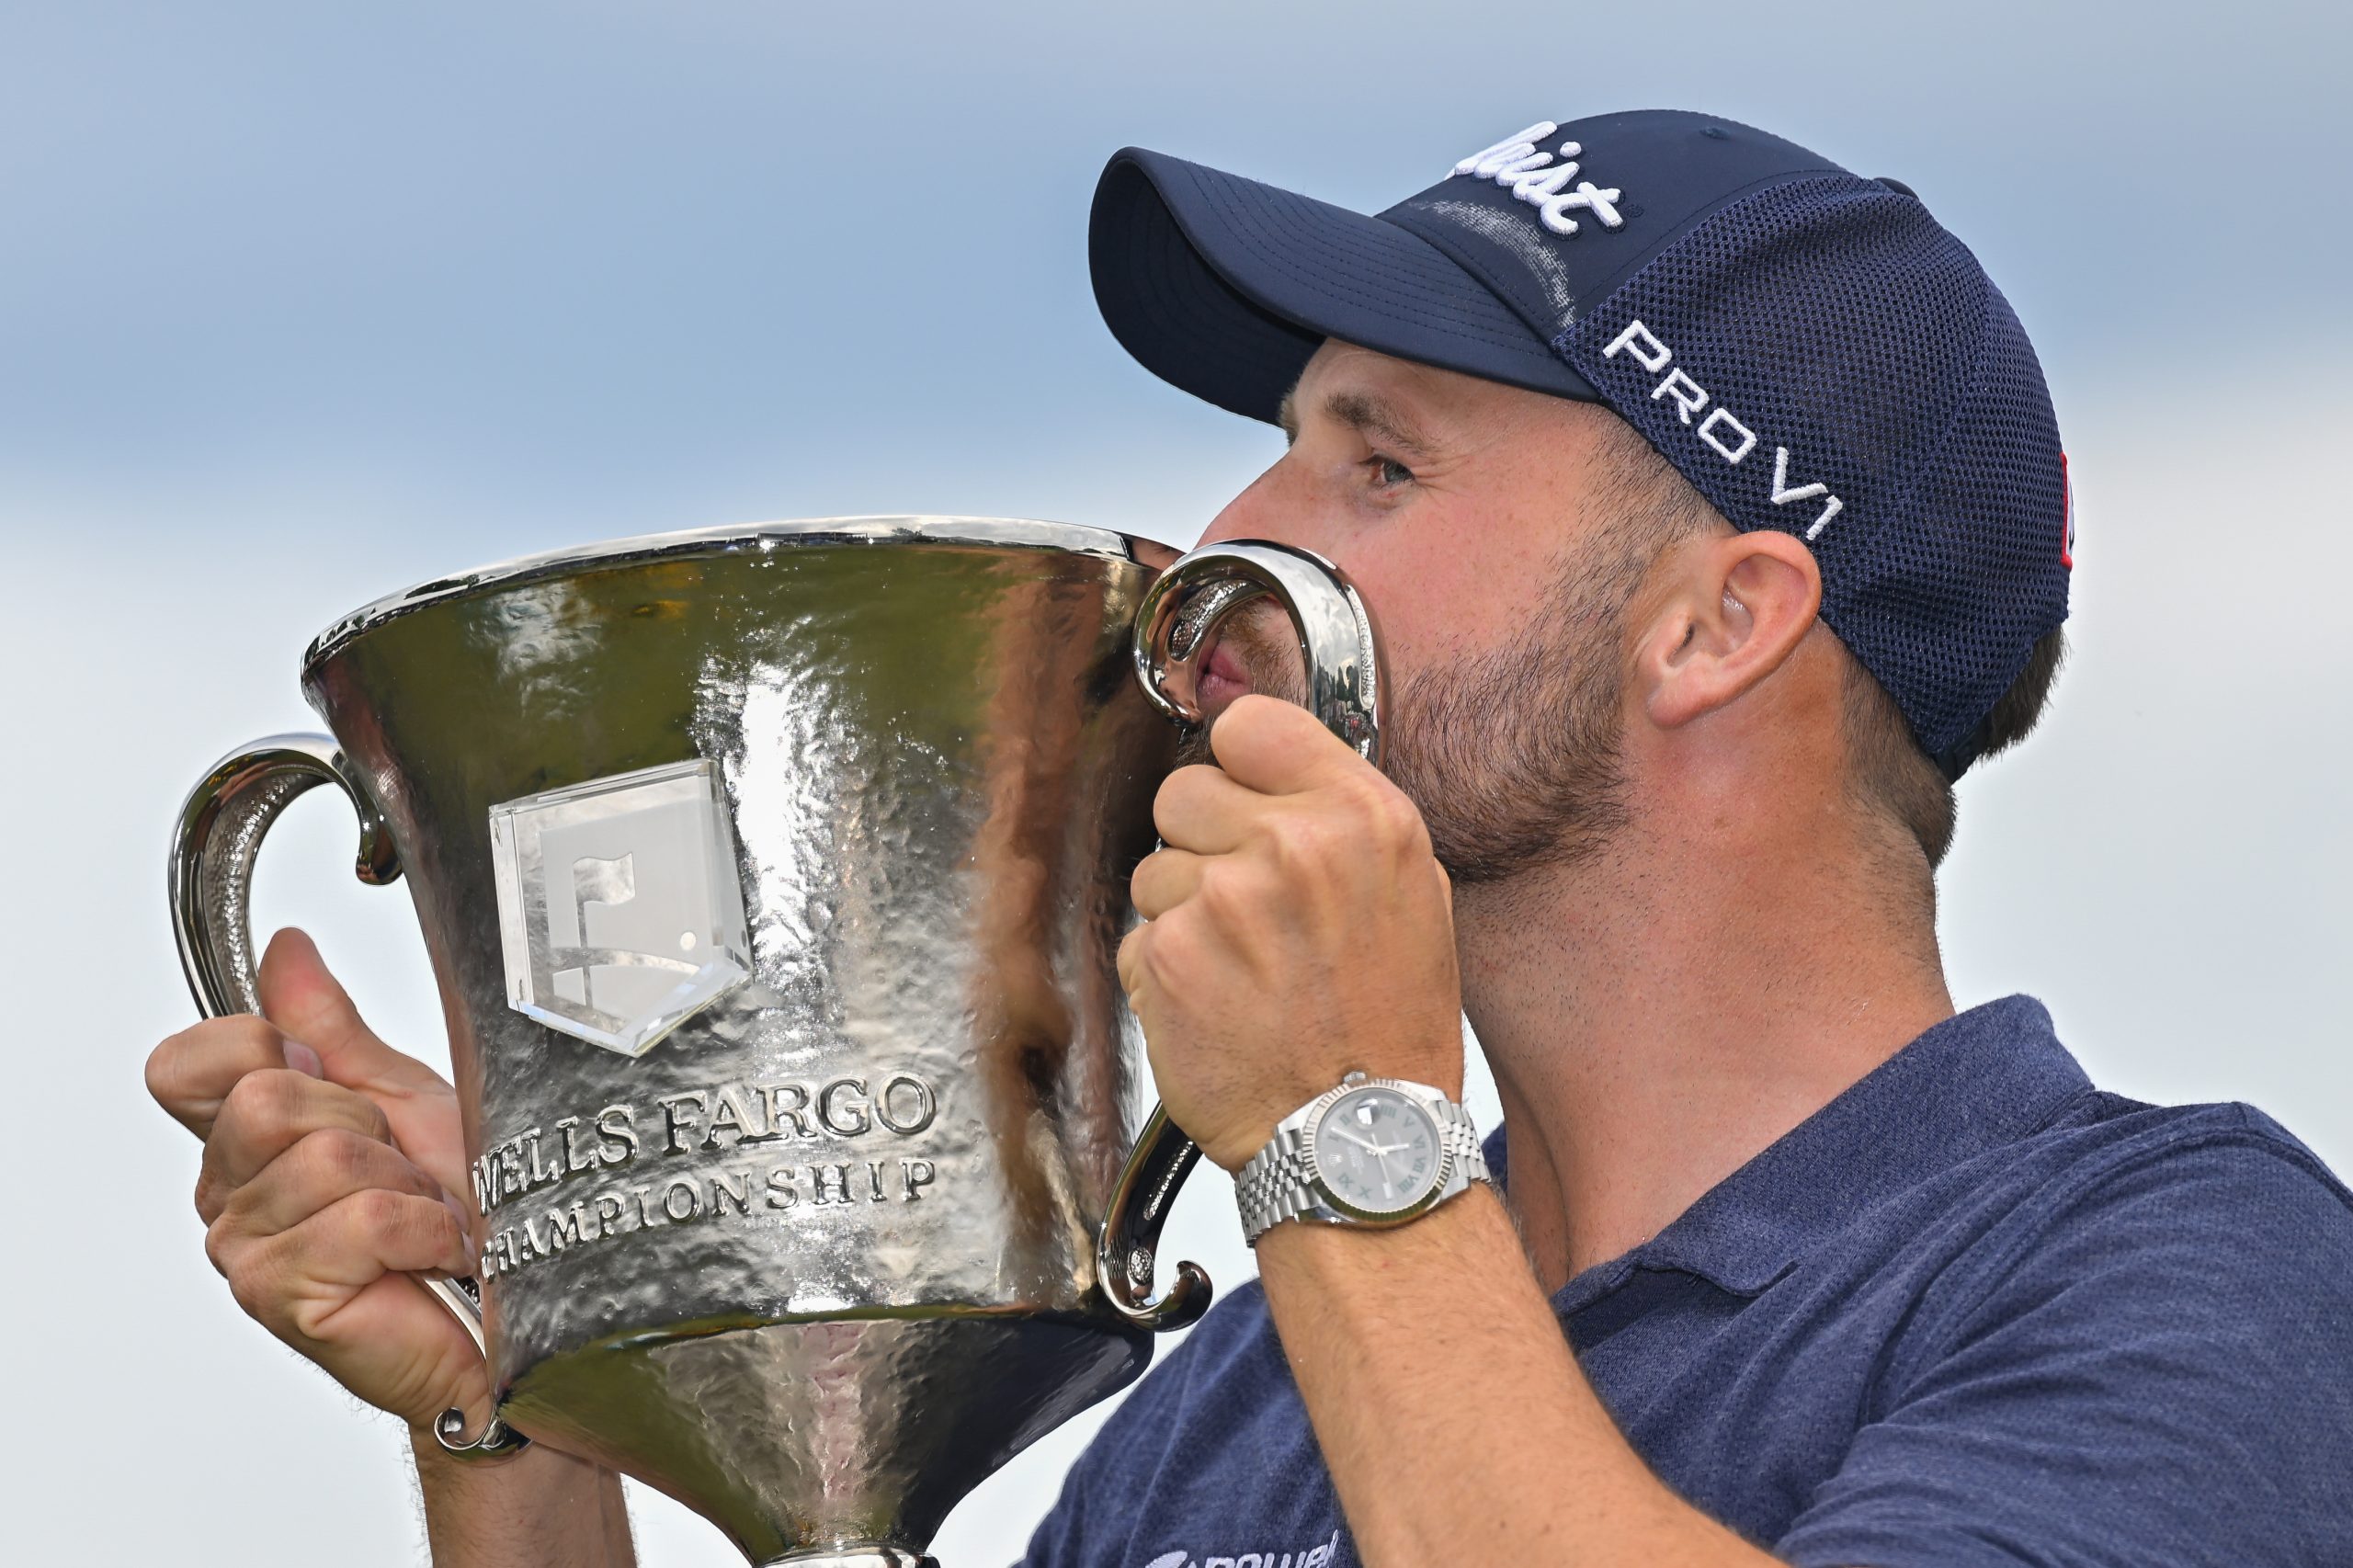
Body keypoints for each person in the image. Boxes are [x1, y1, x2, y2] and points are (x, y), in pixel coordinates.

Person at [146, 108, 2353, 1567]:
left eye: (1373, 468)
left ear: (1715, 621)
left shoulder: (2184, 1274)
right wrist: (520, 1402)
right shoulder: (1253, 1388)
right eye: (1275, 449)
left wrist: (1336, 1136)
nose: (1225, 545)